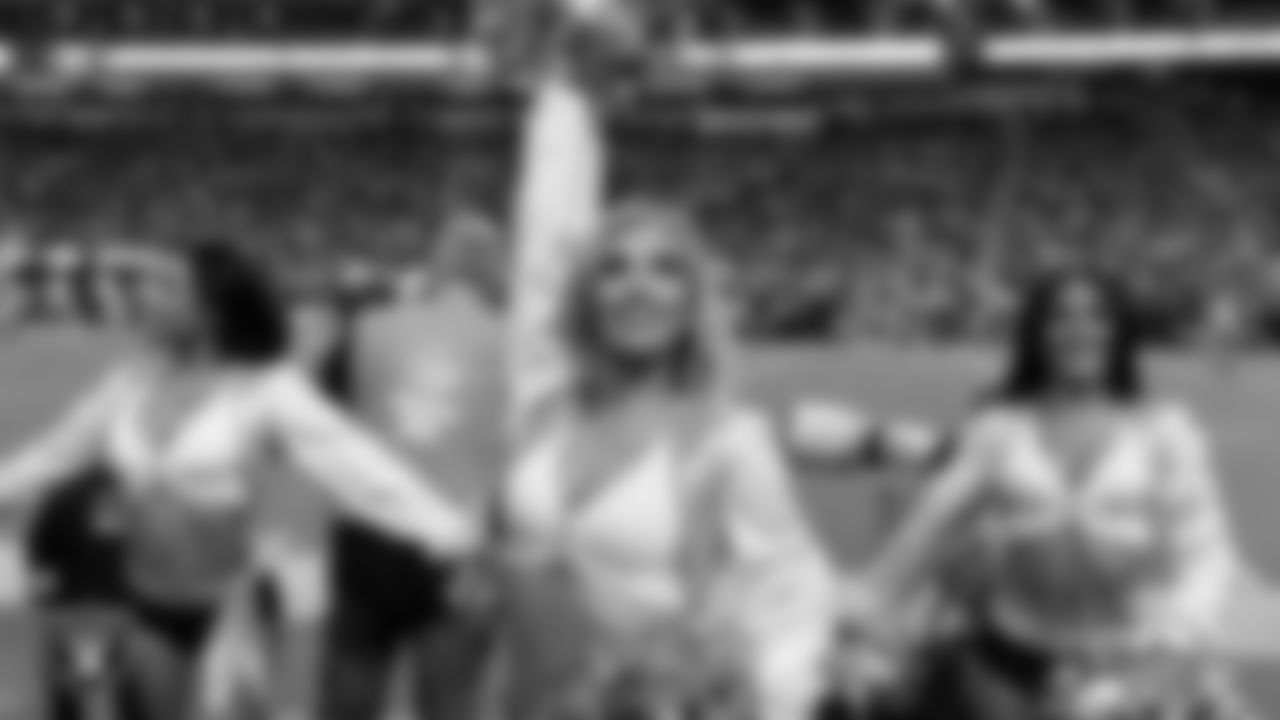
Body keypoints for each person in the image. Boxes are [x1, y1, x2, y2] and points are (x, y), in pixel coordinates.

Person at [0, 240, 480, 720]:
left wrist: (451, 534)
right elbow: (52, 454)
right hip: (151, 602)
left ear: (210, 311)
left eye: (168, 289)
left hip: (241, 608)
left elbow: (359, 467)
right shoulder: (130, 383)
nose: (147, 298)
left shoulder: (267, 390)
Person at [497, 57, 837, 720]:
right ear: (586, 296)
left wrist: (768, 699)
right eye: (614, 270)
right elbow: (542, 250)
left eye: (666, 271)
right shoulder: (542, 410)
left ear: (692, 303)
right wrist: (565, 88)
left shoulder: (728, 439)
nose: (638, 288)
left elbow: (792, 595)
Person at [848, 269, 1242, 720]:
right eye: (1060, 317)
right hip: (1007, 666)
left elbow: (1207, 553)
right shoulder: (999, 430)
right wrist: (861, 612)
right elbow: (926, 530)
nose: (1079, 330)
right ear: (1036, 333)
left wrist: (1170, 655)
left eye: (1097, 315)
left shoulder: (1165, 432)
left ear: (1120, 331)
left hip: (1133, 668)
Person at [316, 217, 506, 720]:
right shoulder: (521, 347)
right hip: (464, 556)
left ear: (436, 268)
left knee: (348, 704)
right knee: (447, 705)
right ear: (497, 274)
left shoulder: (369, 329)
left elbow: (316, 425)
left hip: (366, 544)